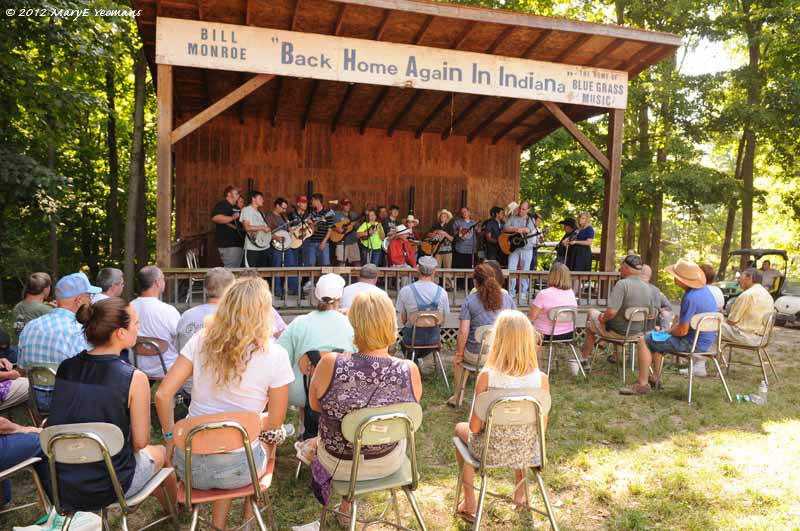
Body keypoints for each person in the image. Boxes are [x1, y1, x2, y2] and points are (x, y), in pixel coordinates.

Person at [156, 277, 292, 530]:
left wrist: (169, 436)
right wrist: (256, 422)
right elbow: (275, 421)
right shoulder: (276, 355)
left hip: (191, 466)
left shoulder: (200, 341)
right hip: (243, 469)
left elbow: (163, 395)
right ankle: (248, 517)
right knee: (272, 434)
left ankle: (218, 525)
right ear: (264, 312)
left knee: (227, 437)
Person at [47, 298, 176, 515]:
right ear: (120, 333)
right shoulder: (134, 378)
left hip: (63, 482)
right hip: (111, 485)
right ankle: (174, 513)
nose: (139, 328)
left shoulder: (65, 367)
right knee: (161, 452)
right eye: (136, 323)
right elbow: (140, 442)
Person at [307, 290, 422, 520]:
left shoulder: (330, 363)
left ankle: (345, 507)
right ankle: (346, 509)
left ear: (354, 325)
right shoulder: (409, 370)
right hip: (387, 461)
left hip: (338, 464)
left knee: (315, 441)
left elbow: (315, 406)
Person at [453, 310, 550, 521]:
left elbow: (475, 428)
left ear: (498, 340)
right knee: (520, 433)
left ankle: (469, 500)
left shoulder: (487, 377)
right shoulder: (541, 379)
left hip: (490, 452)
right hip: (529, 451)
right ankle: (521, 492)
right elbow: (540, 428)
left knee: (460, 429)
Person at [621, 258, 718, 395]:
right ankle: (655, 378)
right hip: (705, 342)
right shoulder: (705, 292)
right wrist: (667, 332)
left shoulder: (690, 298)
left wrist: (668, 332)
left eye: (675, 275)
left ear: (682, 279)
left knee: (644, 340)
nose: (673, 277)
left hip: (691, 344)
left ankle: (642, 384)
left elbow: (682, 331)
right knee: (657, 339)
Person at [18, 273, 97, 413]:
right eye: (89, 297)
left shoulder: (30, 326)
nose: (91, 303)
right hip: (69, 403)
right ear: (79, 300)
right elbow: (92, 372)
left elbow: (22, 368)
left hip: (37, 402)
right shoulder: (79, 331)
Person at [278, 274, 355, 412]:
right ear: (340, 297)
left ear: (316, 295)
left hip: (301, 391)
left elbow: (280, 355)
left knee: (305, 385)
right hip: (341, 390)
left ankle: (305, 427)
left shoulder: (299, 322)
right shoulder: (351, 324)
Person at [448, 263, 516, 406]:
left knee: (459, 361)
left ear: (475, 281)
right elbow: (514, 327)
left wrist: (459, 354)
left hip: (475, 356)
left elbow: (463, 331)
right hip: (500, 356)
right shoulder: (508, 299)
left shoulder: (470, 300)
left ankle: (457, 397)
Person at [579, 255, 650, 366]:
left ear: (625, 268)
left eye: (621, 266)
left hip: (618, 332)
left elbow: (611, 313)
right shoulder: (647, 287)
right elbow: (650, 313)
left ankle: (584, 358)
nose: (619, 269)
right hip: (638, 333)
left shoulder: (622, 284)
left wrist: (602, 318)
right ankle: (613, 355)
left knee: (591, 313)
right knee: (610, 319)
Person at [130, 266, 181, 378]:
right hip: (167, 367)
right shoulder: (168, 310)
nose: (164, 282)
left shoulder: (129, 307)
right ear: (157, 283)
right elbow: (180, 337)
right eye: (163, 279)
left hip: (136, 366)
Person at [396, 256, 450, 358]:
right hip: (434, 339)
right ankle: (417, 362)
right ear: (434, 271)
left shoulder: (405, 290)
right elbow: (442, 322)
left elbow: (403, 320)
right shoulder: (442, 292)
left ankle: (414, 364)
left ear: (417, 269)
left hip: (411, 340)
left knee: (404, 341)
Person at [176, 268, 235, 351]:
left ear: (204, 289)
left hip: (188, 363)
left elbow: (178, 348)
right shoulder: (235, 317)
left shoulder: (187, 315)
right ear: (231, 291)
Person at [721, 268, 774, 347]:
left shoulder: (747, 295)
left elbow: (731, 321)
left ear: (750, 278)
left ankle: (702, 356)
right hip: (762, 338)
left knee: (709, 325)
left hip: (747, 337)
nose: (738, 281)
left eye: (740, 277)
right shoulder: (768, 295)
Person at [528, 263, 578, 340]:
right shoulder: (571, 292)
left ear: (551, 276)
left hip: (544, 334)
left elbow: (530, 318)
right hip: (569, 333)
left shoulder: (543, 294)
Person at [503, 200, 538, 300]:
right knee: (511, 269)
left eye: (524, 209)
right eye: (520, 208)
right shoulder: (513, 217)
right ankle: (511, 291)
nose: (521, 211)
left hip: (527, 248)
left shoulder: (531, 219)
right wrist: (516, 229)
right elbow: (505, 228)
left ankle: (523, 292)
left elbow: (528, 230)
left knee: (525, 270)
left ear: (528, 210)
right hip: (514, 248)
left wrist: (517, 228)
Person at [266, 197, 299, 296]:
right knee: (276, 267)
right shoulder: (269, 217)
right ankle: (277, 290)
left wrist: (293, 229)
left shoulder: (284, 217)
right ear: (277, 206)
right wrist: (276, 237)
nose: (284, 210)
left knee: (291, 265)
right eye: (283, 208)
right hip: (275, 246)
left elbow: (288, 229)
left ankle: (294, 289)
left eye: (285, 208)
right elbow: (267, 232)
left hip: (286, 245)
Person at [211, 186, 244, 268]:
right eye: (236, 193)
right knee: (231, 270)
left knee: (235, 269)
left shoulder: (235, 207)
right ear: (229, 194)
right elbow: (216, 218)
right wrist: (232, 218)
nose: (238, 195)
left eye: (239, 193)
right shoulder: (223, 204)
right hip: (228, 244)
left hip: (236, 244)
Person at [241, 190, 272, 268]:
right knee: (249, 273)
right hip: (252, 247)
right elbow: (247, 227)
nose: (263, 200)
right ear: (253, 199)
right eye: (260, 198)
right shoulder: (246, 210)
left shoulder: (260, 213)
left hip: (264, 247)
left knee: (262, 273)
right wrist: (262, 228)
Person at [427, 209, 455, 289]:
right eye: (442, 216)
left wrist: (445, 233)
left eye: (445, 216)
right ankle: (435, 284)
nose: (443, 217)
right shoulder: (435, 225)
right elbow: (428, 235)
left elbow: (452, 239)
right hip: (437, 250)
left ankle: (448, 285)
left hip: (448, 251)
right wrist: (435, 232)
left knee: (447, 268)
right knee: (436, 267)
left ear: (447, 218)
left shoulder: (450, 226)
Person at [304, 193, 334, 267]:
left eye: (313, 200)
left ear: (317, 201)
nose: (312, 202)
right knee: (311, 264)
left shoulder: (328, 213)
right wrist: (310, 223)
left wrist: (324, 242)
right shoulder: (312, 213)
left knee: (324, 265)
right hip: (312, 242)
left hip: (323, 242)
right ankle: (311, 279)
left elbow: (330, 229)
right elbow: (310, 229)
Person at [642, 264, 674, 330]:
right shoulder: (656, 290)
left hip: (628, 328)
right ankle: (663, 334)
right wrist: (659, 309)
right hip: (649, 328)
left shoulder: (629, 287)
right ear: (650, 276)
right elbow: (669, 307)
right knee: (666, 313)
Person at [333, 198, 362, 266]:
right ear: (342, 205)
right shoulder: (337, 215)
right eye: (346, 204)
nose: (348, 206)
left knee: (357, 262)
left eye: (349, 204)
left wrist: (355, 225)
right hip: (341, 241)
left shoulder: (353, 215)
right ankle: (341, 276)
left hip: (352, 241)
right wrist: (337, 229)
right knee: (341, 262)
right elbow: (331, 225)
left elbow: (358, 228)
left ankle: (358, 276)